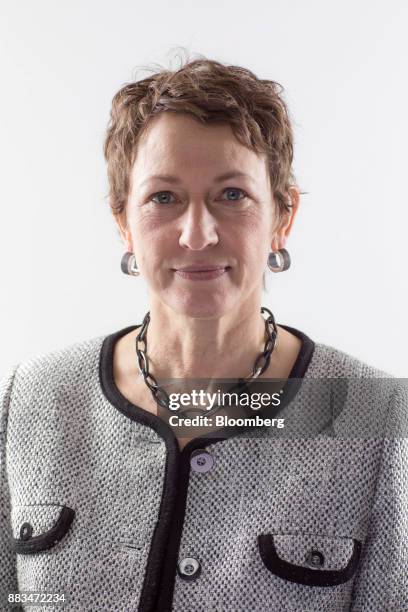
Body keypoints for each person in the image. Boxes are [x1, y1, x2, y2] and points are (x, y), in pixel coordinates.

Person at [0, 54, 407, 612]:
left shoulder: (378, 419)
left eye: (232, 195)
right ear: (123, 220)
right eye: (163, 197)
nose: (196, 234)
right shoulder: (35, 398)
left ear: (282, 218)